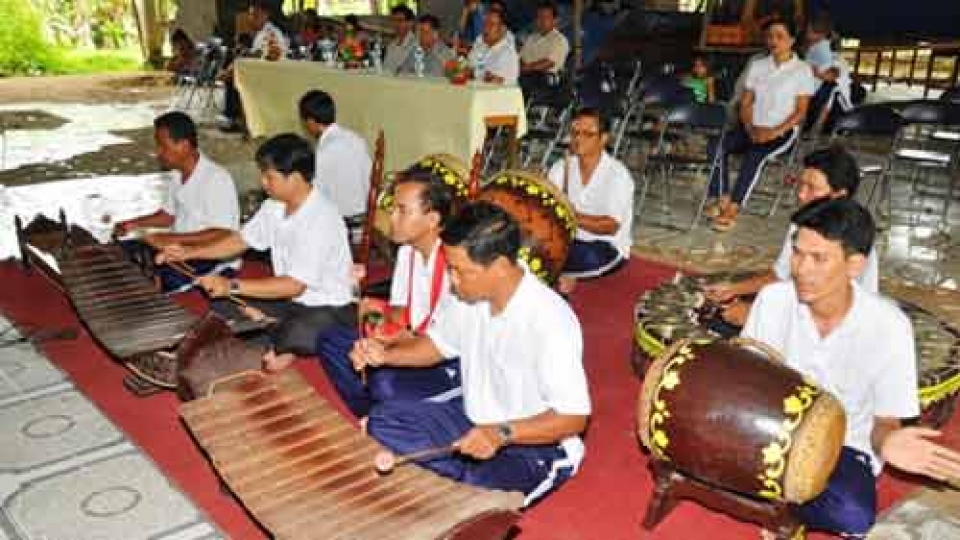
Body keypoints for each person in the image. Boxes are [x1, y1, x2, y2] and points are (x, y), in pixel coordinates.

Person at [742, 197, 960, 538]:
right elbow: (748, 381)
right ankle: (783, 498)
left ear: (854, 265)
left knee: (854, 514)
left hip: (841, 446)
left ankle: (771, 497)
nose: (801, 268)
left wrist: (888, 441)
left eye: (819, 258)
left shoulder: (889, 326)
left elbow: (884, 422)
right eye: (797, 253)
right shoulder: (772, 301)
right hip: (770, 431)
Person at [353, 202, 591, 506]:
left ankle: (458, 488)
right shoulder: (466, 295)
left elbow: (573, 418)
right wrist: (386, 354)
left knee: (474, 493)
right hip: (471, 417)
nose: (451, 280)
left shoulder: (551, 320)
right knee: (384, 420)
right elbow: (437, 345)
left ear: (501, 267)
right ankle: (452, 483)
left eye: (460, 271)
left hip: (534, 444)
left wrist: (501, 434)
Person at [156, 134, 355, 368]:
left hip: (328, 308)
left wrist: (232, 286)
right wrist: (188, 253)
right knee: (221, 305)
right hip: (288, 301)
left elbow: (294, 285)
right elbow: (240, 241)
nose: (263, 182)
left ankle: (277, 337)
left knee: (302, 331)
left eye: (269, 176)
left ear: (296, 178)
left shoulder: (322, 218)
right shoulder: (274, 205)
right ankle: (272, 331)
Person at [316, 167, 462, 418]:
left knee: (384, 382)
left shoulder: (458, 267)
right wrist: (376, 319)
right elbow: (398, 312)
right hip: (411, 337)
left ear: (432, 220)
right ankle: (374, 416)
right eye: (393, 208)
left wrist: (385, 351)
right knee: (331, 341)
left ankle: (388, 415)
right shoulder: (408, 251)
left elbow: (435, 345)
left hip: (444, 362)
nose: (391, 218)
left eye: (402, 210)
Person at [704, 145, 879, 327]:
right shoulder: (805, 222)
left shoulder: (850, 237)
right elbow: (781, 275)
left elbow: (825, 312)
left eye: (812, 188)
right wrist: (733, 290)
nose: (802, 194)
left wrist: (755, 316)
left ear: (840, 195)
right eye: (801, 184)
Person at [706, 19, 814, 231]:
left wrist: (773, 131)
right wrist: (749, 127)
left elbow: (800, 112)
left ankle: (734, 208)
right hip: (752, 128)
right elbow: (745, 102)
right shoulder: (758, 65)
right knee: (716, 145)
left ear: (792, 40)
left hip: (782, 133)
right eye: (770, 36)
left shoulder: (802, 70)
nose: (773, 41)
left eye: (780, 36)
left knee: (755, 156)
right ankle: (721, 198)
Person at [115, 111, 239, 293]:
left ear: (184, 145)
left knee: (155, 278)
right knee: (119, 252)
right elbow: (167, 216)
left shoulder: (217, 179)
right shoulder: (176, 173)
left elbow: (223, 234)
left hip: (212, 257)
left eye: (163, 146)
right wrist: (132, 223)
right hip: (179, 248)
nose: (158, 152)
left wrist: (170, 239)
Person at [547, 107, 633, 294]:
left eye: (588, 134)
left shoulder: (617, 175)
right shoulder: (561, 167)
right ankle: (563, 276)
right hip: (569, 239)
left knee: (553, 257)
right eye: (575, 133)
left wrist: (570, 216)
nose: (578, 139)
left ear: (603, 139)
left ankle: (562, 277)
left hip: (605, 247)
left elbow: (610, 226)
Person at [297, 90, 372, 222]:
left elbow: (315, 195)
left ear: (311, 122)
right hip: (368, 216)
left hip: (346, 222)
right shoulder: (355, 138)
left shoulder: (325, 150)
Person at [219, 0, 289, 132]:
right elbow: (255, 55)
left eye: (255, 16)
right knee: (234, 72)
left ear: (265, 15)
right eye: (250, 15)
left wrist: (233, 68)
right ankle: (235, 117)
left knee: (235, 79)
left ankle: (236, 118)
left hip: (272, 77)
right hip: (262, 73)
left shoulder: (270, 33)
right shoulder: (262, 32)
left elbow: (265, 57)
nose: (251, 19)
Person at [467, 10, 519, 85]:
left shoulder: (507, 53)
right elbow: (468, 69)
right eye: (485, 24)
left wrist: (474, 73)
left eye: (491, 24)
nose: (485, 28)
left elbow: (493, 80)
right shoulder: (480, 46)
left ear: (503, 30)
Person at [519, 3, 569, 77]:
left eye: (546, 17)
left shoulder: (560, 40)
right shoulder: (532, 37)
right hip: (526, 76)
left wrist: (525, 69)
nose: (541, 20)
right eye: (539, 17)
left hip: (546, 80)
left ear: (555, 20)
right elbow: (522, 58)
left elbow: (549, 63)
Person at [383, 4, 417, 74]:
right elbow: (385, 68)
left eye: (400, 20)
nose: (396, 24)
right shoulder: (391, 45)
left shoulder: (417, 44)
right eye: (393, 20)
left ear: (410, 22)